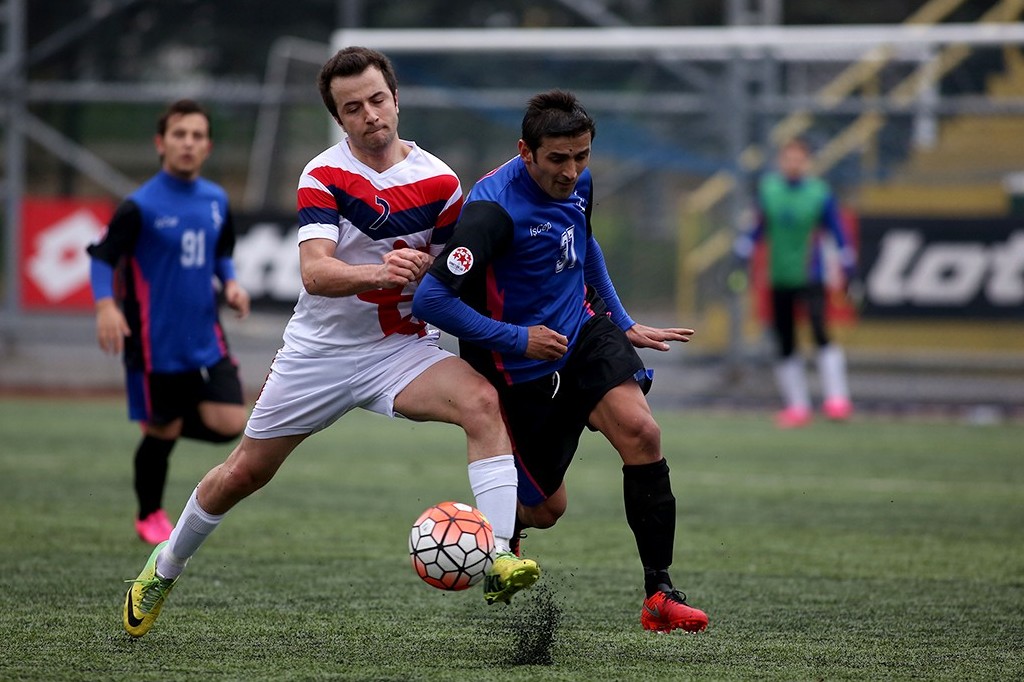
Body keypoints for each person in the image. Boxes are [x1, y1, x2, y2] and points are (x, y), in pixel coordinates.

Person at [121, 47, 539, 639]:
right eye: (353, 108)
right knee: (243, 473)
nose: (369, 114)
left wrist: (436, 271)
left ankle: (497, 556)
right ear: (339, 119)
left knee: (481, 404)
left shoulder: (441, 181)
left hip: (399, 352)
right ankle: (164, 566)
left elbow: (453, 270)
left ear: (396, 99)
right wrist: (382, 272)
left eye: (377, 99)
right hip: (318, 353)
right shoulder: (322, 175)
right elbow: (315, 273)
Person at [412, 89, 709, 634]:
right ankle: (487, 528)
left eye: (582, 157)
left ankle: (659, 594)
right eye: (557, 159)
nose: (571, 172)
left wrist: (620, 320)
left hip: (583, 334)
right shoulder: (491, 211)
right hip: (519, 371)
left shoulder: (580, 182)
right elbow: (431, 301)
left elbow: (583, 244)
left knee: (642, 432)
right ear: (525, 151)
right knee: (548, 509)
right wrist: (518, 339)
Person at [87, 99, 251, 545]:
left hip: (206, 338)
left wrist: (231, 284)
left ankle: (165, 421)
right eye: (180, 134)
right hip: (153, 344)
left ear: (208, 146)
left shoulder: (216, 199)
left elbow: (221, 253)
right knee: (163, 432)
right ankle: (149, 513)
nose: (188, 143)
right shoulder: (139, 206)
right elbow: (102, 258)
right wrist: (105, 305)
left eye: (197, 136)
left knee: (230, 422)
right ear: (161, 143)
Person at [733, 137, 857, 429]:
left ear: (807, 161)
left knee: (819, 330)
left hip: (811, 275)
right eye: (788, 158)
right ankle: (797, 406)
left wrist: (848, 265)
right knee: (785, 339)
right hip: (778, 276)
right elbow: (755, 231)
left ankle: (837, 400)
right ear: (781, 161)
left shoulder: (819, 194)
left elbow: (837, 233)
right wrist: (740, 258)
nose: (793, 163)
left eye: (799, 158)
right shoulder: (769, 191)